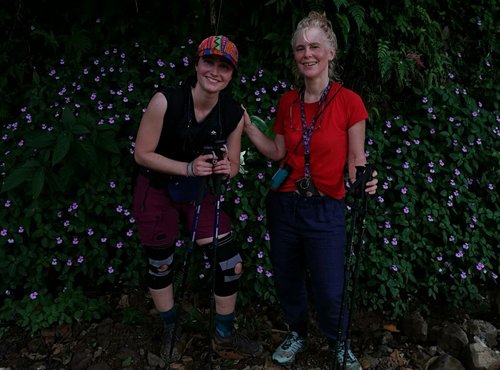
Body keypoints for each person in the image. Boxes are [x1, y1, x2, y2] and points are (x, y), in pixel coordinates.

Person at [243, 11, 378, 370]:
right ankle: (298, 332)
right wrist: (248, 126)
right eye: (300, 48)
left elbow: (355, 159)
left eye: (315, 46)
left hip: (326, 206)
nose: (307, 54)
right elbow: (278, 151)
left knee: (330, 285)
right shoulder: (288, 102)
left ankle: (339, 342)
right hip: (284, 204)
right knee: (287, 276)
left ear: (330, 52)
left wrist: (364, 178)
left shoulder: (350, 102)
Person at [132, 35, 263, 363]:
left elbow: (232, 165)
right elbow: (142, 153)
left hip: (198, 192)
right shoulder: (166, 101)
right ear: (196, 64)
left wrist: (223, 167)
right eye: (209, 62)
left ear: (232, 74)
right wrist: (188, 167)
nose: (215, 71)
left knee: (229, 264)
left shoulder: (232, 113)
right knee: (161, 263)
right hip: (157, 188)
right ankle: (170, 327)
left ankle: (224, 331)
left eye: (224, 66)